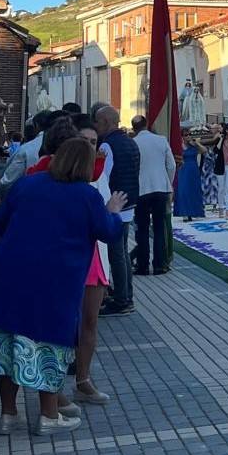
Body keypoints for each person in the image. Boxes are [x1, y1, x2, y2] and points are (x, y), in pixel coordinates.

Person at [0, 138, 127, 435]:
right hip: (53, 281)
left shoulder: (27, 185)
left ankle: (8, 415)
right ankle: (48, 415)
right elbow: (108, 232)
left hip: (7, 273)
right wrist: (112, 210)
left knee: (7, 340)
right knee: (48, 343)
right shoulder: (86, 195)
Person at [94, 106, 139, 316]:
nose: (95, 126)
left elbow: (103, 176)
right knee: (122, 253)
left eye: (97, 122)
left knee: (116, 254)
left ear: (105, 122)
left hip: (115, 203)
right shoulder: (130, 141)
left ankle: (122, 299)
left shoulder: (108, 145)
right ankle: (125, 295)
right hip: (128, 200)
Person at [131, 116, 177, 275]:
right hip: (160, 188)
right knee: (159, 227)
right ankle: (160, 264)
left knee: (142, 229)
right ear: (146, 124)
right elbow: (171, 165)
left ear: (134, 128)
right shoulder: (161, 140)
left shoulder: (133, 143)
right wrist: (168, 183)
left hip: (141, 189)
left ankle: (142, 265)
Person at [174, 129, 206, 221]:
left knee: (193, 190)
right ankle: (184, 213)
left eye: (189, 135)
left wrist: (197, 143)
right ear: (182, 137)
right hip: (183, 170)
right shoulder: (179, 146)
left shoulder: (193, 146)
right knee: (183, 191)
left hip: (193, 170)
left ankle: (192, 212)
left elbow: (204, 151)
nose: (188, 136)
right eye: (185, 135)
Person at [201, 124, 220, 217]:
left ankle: (214, 203)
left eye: (213, 128)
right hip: (207, 163)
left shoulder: (218, 135)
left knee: (214, 184)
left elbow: (214, 141)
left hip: (214, 161)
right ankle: (206, 202)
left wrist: (200, 142)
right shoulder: (208, 136)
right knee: (205, 183)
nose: (211, 130)